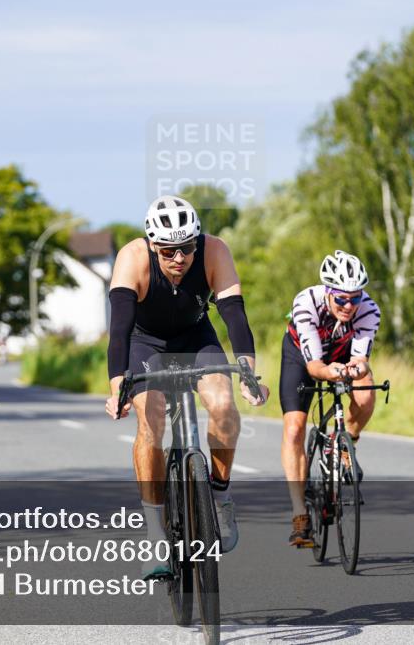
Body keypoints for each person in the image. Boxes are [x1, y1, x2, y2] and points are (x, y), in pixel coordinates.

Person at [104, 195, 269, 578]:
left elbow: (234, 315)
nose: (180, 259)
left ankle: (221, 497)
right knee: (152, 420)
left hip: (196, 338)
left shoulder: (215, 252)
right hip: (146, 343)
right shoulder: (132, 258)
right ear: (153, 245)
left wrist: (247, 372)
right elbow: (119, 332)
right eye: (170, 251)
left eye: (187, 248)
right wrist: (118, 389)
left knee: (224, 406)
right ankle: (155, 533)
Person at [279, 250, 381, 547]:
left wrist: (356, 368)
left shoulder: (369, 310)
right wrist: (330, 372)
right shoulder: (305, 303)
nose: (349, 305)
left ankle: (346, 441)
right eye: (341, 299)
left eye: (355, 298)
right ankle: (300, 515)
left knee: (367, 390)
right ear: (328, 292)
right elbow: (314, 367)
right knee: (295, 427)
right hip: (302, 356)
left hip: (342, 354)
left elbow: (361, 359)